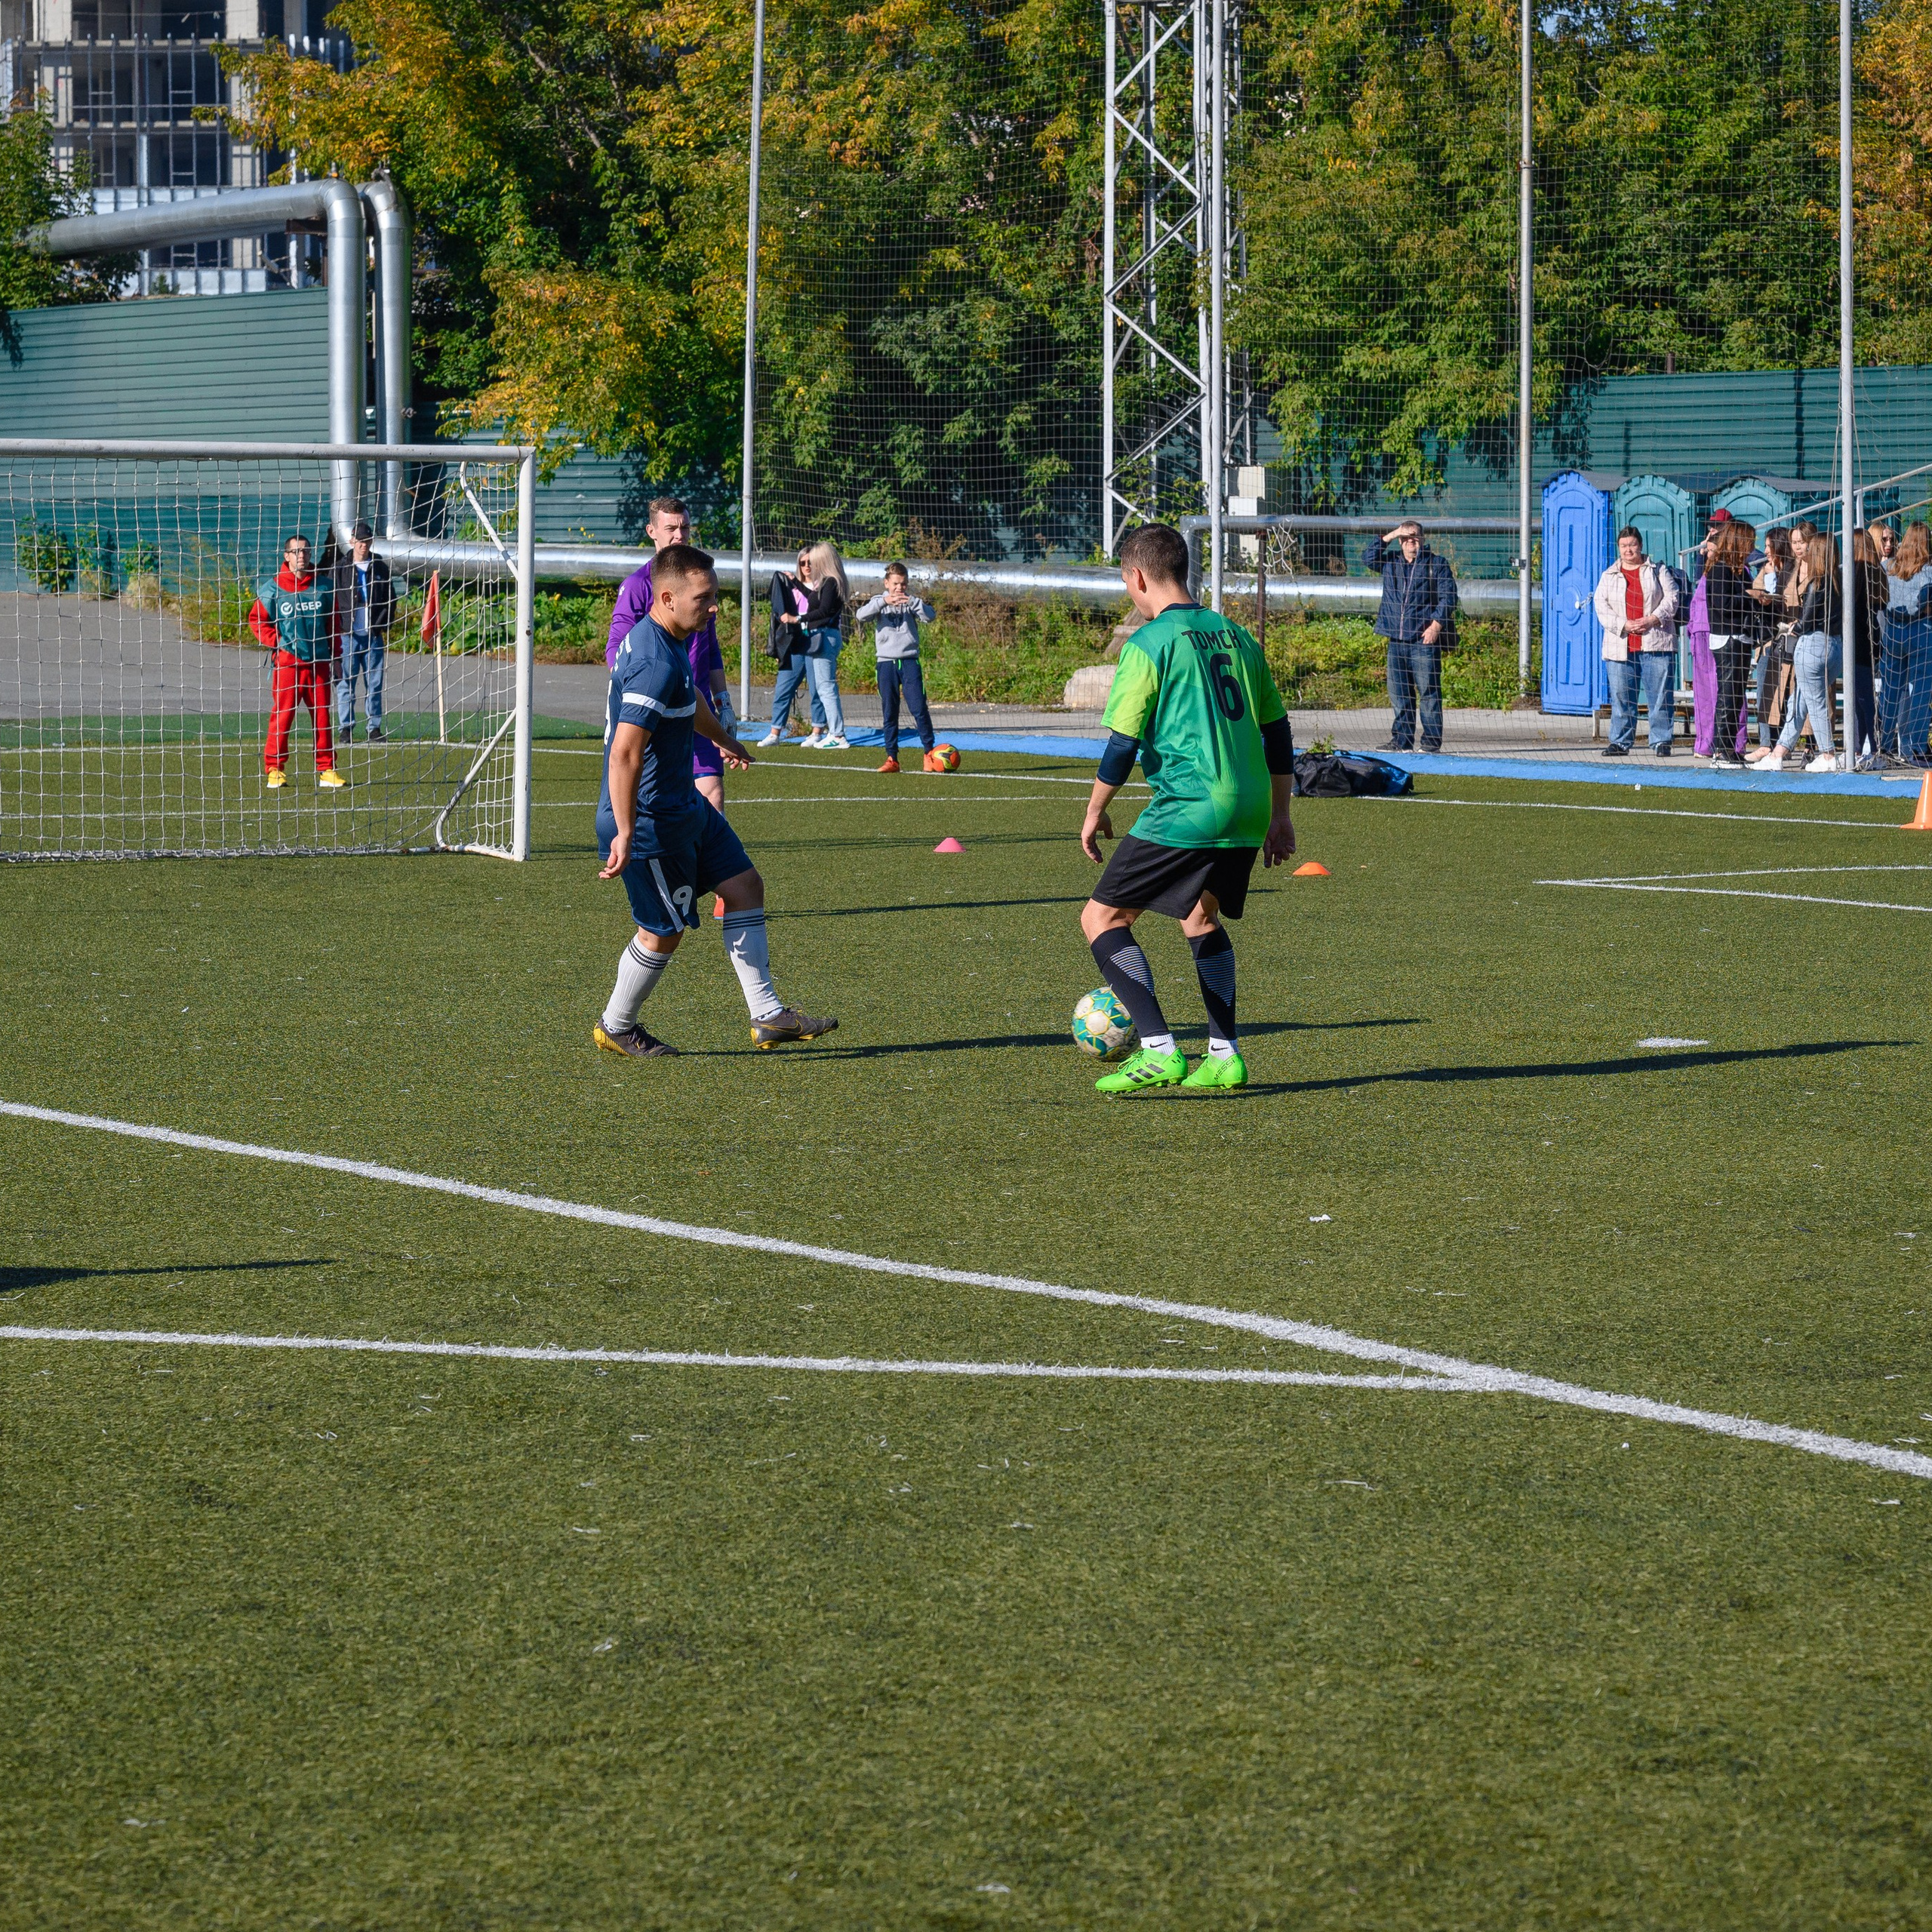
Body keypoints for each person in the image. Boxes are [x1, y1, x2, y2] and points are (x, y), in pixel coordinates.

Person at [1076, 521, 1297, 1097]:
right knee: (1199, 918)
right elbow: (1277, 731)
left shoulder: (1148, 644)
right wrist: (1280, 815)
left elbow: (1123, 743)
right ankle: (1224, 1055)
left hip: (1190, 805)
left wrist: (1095, 809)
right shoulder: (1238, 637)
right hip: (1249, 806)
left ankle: (1157, 1049)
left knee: (1101, 918)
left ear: (1139, 577)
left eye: (1127, 583)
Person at [592, 543, 836, 1058]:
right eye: (704, 598)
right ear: (666, 597)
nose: (714, 607)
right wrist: (625, 827)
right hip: (651, 817)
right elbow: (624, 754)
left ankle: (769, 1016)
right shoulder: (654, 661)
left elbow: (690, 698)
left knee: (745, 885)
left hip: (686, 806)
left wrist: (723, 737)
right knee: (663, 933)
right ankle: (617, 1025)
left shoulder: (672, 638)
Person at [604, 496, 737, 811]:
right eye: (671, 528)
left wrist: (725, 703)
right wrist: (641, 690)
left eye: (685, 527)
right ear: (652, 531)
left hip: (699, 707)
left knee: (712, 796)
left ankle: (711, 861)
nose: (680, 535)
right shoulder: (638, 585)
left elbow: (711, 649)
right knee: (652, 803)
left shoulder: (700, 584)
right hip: (659, 712)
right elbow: (616, 650)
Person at [249, 532, 346, 789]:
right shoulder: (273, 588)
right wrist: (277, 642)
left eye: (305, 551)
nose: (301, 555)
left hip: (319, 665)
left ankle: (327, 770)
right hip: (288, 664)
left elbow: (333, 624)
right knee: (282, 717)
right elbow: (257, 620)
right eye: (296, 551)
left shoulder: (324, 586)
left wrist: (336, 656)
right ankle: (275, 769)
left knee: (323, 718)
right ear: (286, 556)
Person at [1362, 520, 1457, 753]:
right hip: (1396, 639)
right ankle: (1402, 741)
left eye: (1414, 537)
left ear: (1423, 540)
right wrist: (1393, 533)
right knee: (1399, 693)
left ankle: (1431, 742)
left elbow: (1449, 597)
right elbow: (1368, 558)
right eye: (1406, 538)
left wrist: (1436, 626)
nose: (1410, 542)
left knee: (1429, 692)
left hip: (1423, 641)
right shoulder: (1391, 563)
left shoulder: (1437, 564)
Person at [1757, 532, 1842, 773]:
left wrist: (1792, 627)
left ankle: (1827, 754)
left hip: (1813, 647)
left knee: (1815, 704)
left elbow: (1805, 622)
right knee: (1798, 702)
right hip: (1835, 647)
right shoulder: (1839, 579)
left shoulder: (1818, 582)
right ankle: (1778, 753)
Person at [1592, 525, 1681, 757]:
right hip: (1620, 645)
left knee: (1660, 696)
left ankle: (1662, 740)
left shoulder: (1658, 570)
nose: (1628, 550)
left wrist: (1654, 619)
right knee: (1622, 697)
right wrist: (1624, 625)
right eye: (1624, 546)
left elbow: (1672, 598)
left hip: (1656, 643)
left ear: (1640, 545)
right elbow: (1601, 607)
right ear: (1619, 548)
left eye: (1632, 545)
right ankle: (1620, 742)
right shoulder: (1608, 575)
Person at [854, 563, 946, 773]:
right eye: (895, 584)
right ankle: (892, 758)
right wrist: (884, 601)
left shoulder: (911, 602)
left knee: (919, 708)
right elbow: (861, 615)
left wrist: (913, 603)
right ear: (887, 583)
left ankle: (929, 754)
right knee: (890, 712)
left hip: (909, 662)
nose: (899, 588)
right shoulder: (879, 601)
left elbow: (930, 616)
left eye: (903, 584)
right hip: (886, 664)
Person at [774, 540, 849, 749]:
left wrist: (797, 619)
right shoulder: (826, 583)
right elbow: (814, 599)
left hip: (825, 637)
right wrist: (795, 582)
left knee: (826, 687)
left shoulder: (831, 582)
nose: (810, 566)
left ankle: (837, 733)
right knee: (824, 686)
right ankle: (835, 732)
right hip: (822, 637)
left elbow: (823, 611)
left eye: (814, 561)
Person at [1700, 516, 1760, 770]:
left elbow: (1745, 598)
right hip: (1728, 640)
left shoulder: (1740, 570)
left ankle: (1730, 747)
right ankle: (1722, 749)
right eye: (1748, 543)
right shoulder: (1720, 568)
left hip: (1741, 638)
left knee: (1737, 695)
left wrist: (1758, 597)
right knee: (1728, 693)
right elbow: (1724, 605)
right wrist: (1750, 596)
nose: (1751, 548)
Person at [756, 546, 830, 747]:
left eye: (811, 562)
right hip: (795, 642)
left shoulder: (824, 585)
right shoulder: (791, 586)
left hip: (816, 640)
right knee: (784, 687)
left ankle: (817, 731)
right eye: (803, 563)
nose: (807, 566)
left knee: (817, 688)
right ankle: (775, 733)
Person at [331, 518, 395, 744]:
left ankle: (374, 728)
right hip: (347, 636)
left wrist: (382, 624)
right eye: (359, 541)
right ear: (352, 541)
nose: (363, 545)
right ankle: (346, 728)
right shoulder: (339, 568)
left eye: (367, 541)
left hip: (373, 636)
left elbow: (390, 599)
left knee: (374, 684)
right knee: (345, 683)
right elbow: (330, 599)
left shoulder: (380, 567)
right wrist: (335, 628)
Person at [1881, 521, 1932, 763]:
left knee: (1891, 692)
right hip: (1921, 631)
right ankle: (1916, 747)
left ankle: (1885, 744)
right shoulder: (1929, 571)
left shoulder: (1888, 567)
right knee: (1920, 692)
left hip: (1892, 632)